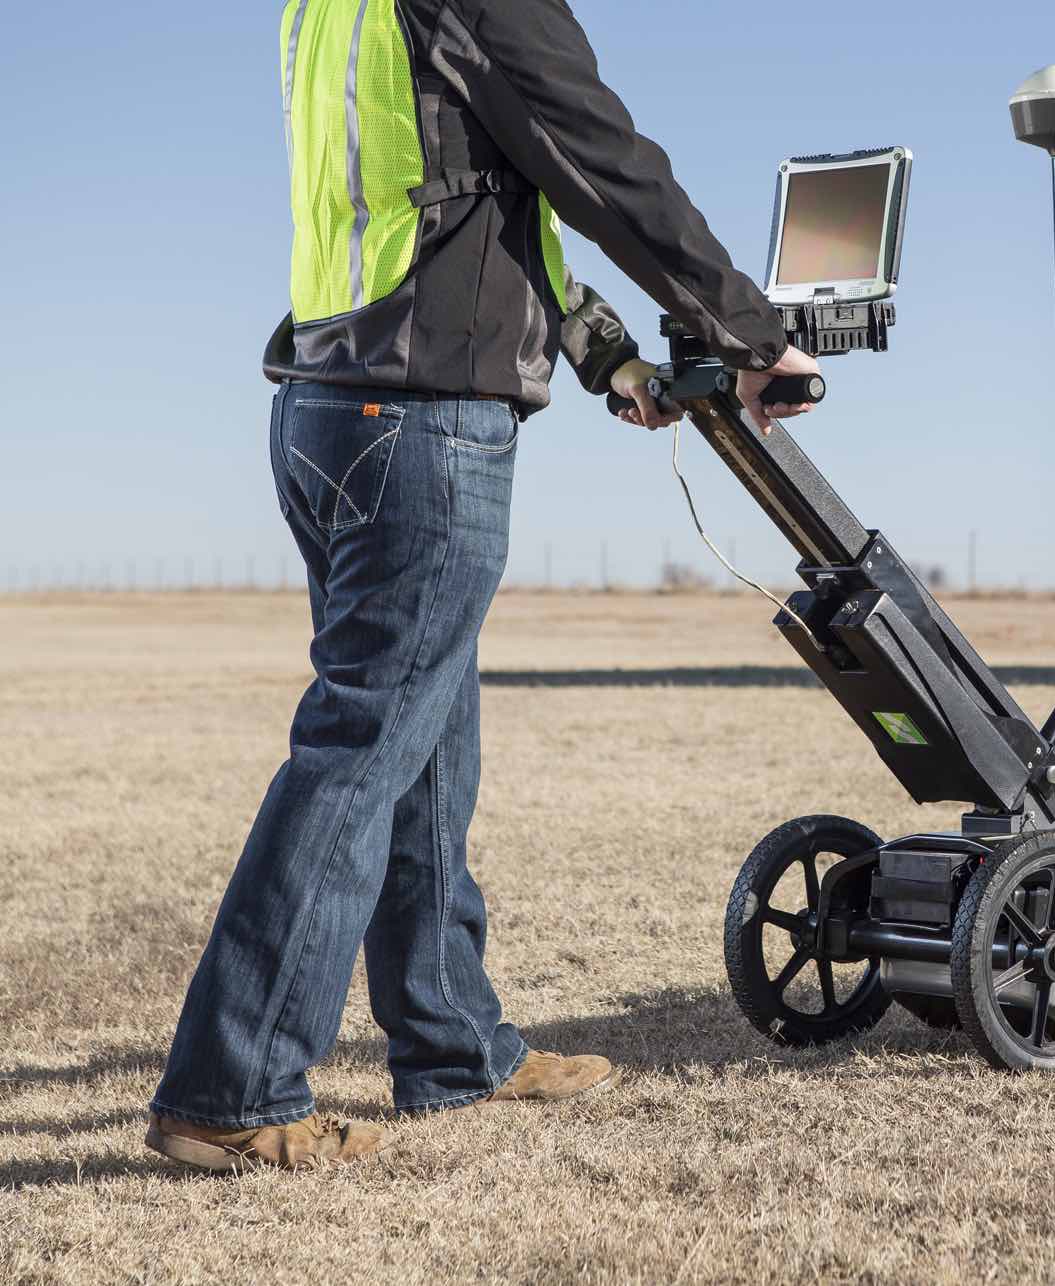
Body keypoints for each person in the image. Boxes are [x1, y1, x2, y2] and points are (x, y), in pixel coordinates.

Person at [144, 0, 820, 1173]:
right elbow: (594, 151)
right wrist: (753, 332)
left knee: (420, 746)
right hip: (420, 421)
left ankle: (453, 1047)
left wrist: (605, 355)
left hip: (328, 398)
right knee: (363, 752)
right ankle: (232, 1087)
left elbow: (484, 196)